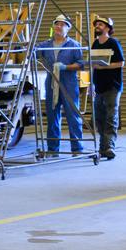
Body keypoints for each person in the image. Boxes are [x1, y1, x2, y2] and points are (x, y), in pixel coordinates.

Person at [36, 14, 85, 156]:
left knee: (73, 116)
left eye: (62, 24)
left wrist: (66, 67)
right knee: (52, 116)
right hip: (51, 84)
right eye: (56, 24)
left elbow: (81, 64)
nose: (58, 26)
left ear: (68, 28)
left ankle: (77, 149)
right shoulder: (45, 45)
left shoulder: (73, 45)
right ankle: (53, 149)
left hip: (68, 84)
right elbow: (32, 54)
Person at [90, 16, 125, 160]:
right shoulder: (95, 44)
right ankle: (102, 147)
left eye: (100, 24)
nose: (97, 26)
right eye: (96, 24)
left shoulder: (113, 43)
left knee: (111, 116)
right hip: (99, 86)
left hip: (113, 86)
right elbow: (93, 64)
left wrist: (104, 66)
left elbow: (121, 63)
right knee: (99, 117)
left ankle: (109, 146)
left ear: (108, 28)